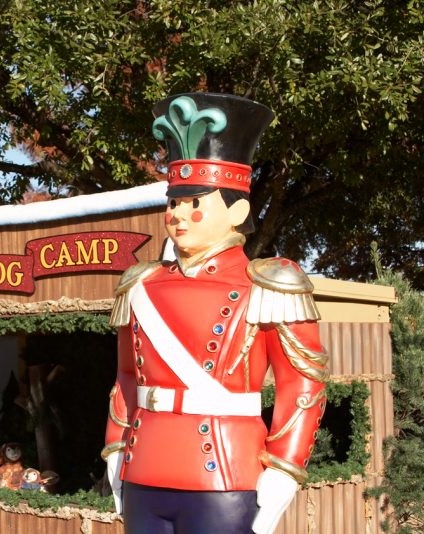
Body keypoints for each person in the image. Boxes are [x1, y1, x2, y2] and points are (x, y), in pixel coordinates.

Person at [102, 93, 328, 534]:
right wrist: (115, 447)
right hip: (142, 470)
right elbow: (127, 376)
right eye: (174, 203)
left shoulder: (270, 283)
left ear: (238, 211)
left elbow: (302, 381)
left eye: (195, 203)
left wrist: (284, 468)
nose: (178, 216)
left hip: (224, 476)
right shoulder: (140, 285)